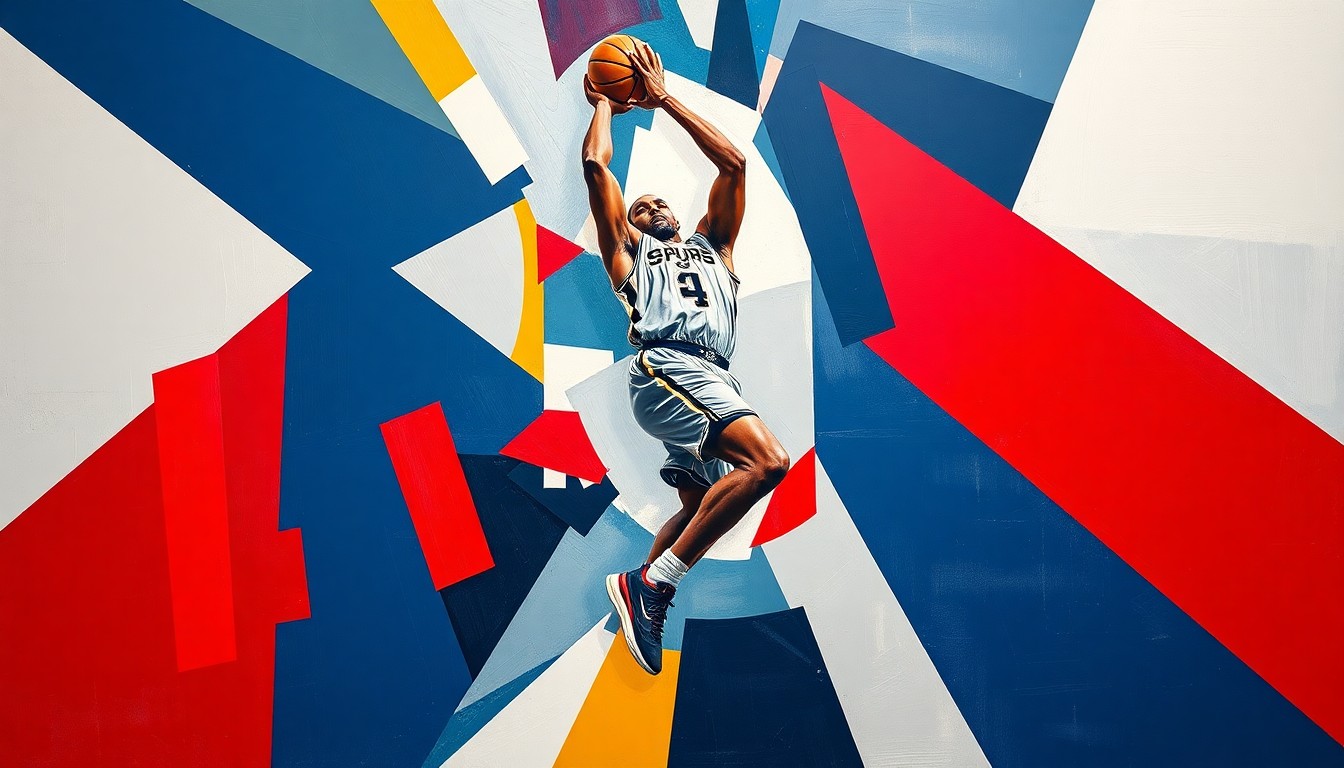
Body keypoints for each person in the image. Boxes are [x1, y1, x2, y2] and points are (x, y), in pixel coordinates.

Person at [580, 42, 791, 675]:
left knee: (702, 504)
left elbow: (733, 162)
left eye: (656, 203)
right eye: (639, 207)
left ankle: (642, 581)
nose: (649, 208)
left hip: (707, 378)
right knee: (768, 462)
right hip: (666, 366)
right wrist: (605, 106)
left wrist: (664, 98)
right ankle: (654, 587)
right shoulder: (629, 255)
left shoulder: (716, 247)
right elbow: (596, 169)